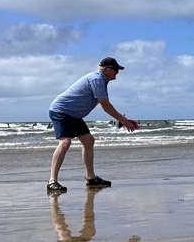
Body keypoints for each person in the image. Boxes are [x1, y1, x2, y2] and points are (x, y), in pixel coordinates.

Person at [47, 57, 139, 194]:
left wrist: (123, 119)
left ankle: (91, 178)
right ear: (106, 69)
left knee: (89, 140)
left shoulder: (101, 80)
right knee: (65, 142)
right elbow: (105, 105)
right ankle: (52, 181)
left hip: (74, 115)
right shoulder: (97, 79)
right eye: (115, 70)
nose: (117, 73)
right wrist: (123, 121)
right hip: (61, 111)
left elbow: (106, 105)